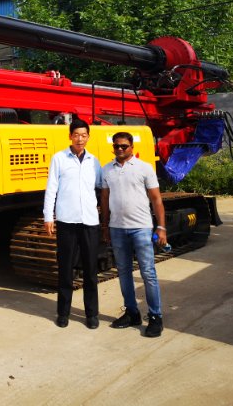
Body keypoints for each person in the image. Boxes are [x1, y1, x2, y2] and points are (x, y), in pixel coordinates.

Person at [99, 131, 167, 338]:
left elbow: (156, 199)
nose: (120, 149)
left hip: (141, 228)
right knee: (123, 272)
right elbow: (104, 199)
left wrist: (161, 227)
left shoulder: (144, 168)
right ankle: (132, 313)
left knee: (148, 273)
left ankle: (155, 316)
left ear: (132, 147)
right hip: (117, 228)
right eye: (116, 146)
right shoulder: (107, 170)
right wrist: (105, 226)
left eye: (124, 146)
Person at [43, 119, 103, 329]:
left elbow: (100, 186)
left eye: (83, 135)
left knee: (90, 270)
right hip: (67, 221)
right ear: (70, 136)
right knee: (65, 269)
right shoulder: (59, 159)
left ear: (88, 137)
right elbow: (51, 188)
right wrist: (48, 216)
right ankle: (63, 313)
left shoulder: (94, 161)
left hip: (89, 222)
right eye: (76, 135)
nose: (80, 139)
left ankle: (91, 314)